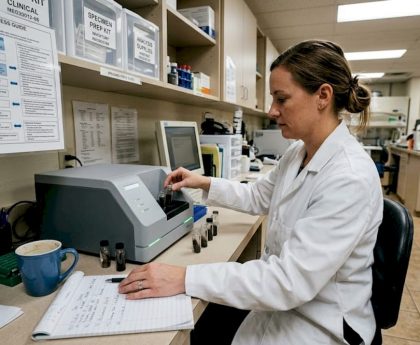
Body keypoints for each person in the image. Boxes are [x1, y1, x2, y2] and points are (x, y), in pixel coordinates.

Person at [119, 40, 383, 345]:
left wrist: (183, 277)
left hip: (322, 324)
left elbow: (288, 281)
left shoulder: (349, 177)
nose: (272, 110)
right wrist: (204, 182)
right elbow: (259, 196)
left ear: (322, 96)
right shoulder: (298, 152)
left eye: (282, 99)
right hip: (286, 303)